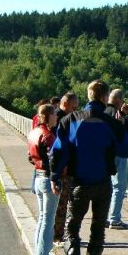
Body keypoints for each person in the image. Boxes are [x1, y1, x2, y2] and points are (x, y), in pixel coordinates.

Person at [50, 80, 125, 255]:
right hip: (103, 183)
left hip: (78, 183)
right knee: (98, 230)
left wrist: (55, 177)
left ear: (89, 95)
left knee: (72, 227)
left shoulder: (70, 120)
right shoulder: (111, 122)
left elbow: (58, 151)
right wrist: (127, 125)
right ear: (104, 97)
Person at [27, 104, 62, 255]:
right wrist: (56, 180)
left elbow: (30, 156)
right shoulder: (49, 136)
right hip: (49, 180)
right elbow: (54, 160)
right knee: (48, 219)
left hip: (39, 176)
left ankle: (39, 253)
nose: (57, 116)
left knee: (42, 218)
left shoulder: (34, 132)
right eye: (55, 114)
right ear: (48, 116)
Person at [104, 89, 128, 229]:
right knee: (119, 186)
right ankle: (114, 219)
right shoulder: (116, 113)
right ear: (118, 100)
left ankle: (104, 218)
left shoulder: (103, 111)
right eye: (122, 101)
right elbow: (122, 133)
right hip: (118, 153)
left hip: (104, 153)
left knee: (107, 187)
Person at [52, 92, 79, 246]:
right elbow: (60, 147)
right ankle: (57, 236)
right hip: (63, 169)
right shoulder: (63, 120)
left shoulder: (56, 117)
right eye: (74, 107)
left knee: (60, 204)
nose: (76, 110)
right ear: (66, 104)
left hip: (60, 167)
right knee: (61, 204)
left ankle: (57, 234)